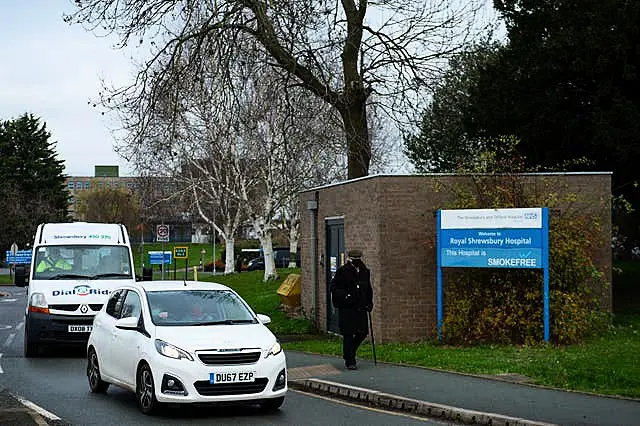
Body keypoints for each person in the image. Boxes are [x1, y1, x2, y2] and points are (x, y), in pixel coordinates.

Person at [329, 249, 374, 370]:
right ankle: (350, 361)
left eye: (358, 259)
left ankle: (349, 353)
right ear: (350, 259)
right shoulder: (342, 272)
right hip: (347, 308)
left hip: (360, 307)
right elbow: (334, 287)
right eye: (355, 260)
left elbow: (368, 288)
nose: (357, 262)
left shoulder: (365, 271)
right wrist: (345, 296)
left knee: (362, 332)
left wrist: (369, 302)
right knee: (348, 334)